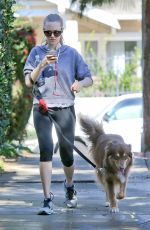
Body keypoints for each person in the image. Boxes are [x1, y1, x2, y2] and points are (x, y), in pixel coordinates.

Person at [23, 13, 93, 215]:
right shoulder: (36, 52)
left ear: (62, 31)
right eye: (48, 32)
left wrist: (79, 83)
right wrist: (42, 64)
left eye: (56, 32)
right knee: (45, 149)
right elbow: (29, 81)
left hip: (65, 107)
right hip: (42, 107)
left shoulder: (71, 54)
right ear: (43, 31)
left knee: (66, 154)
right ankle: (47, 199)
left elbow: (88, 78)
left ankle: (69, 185)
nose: (52, 36)